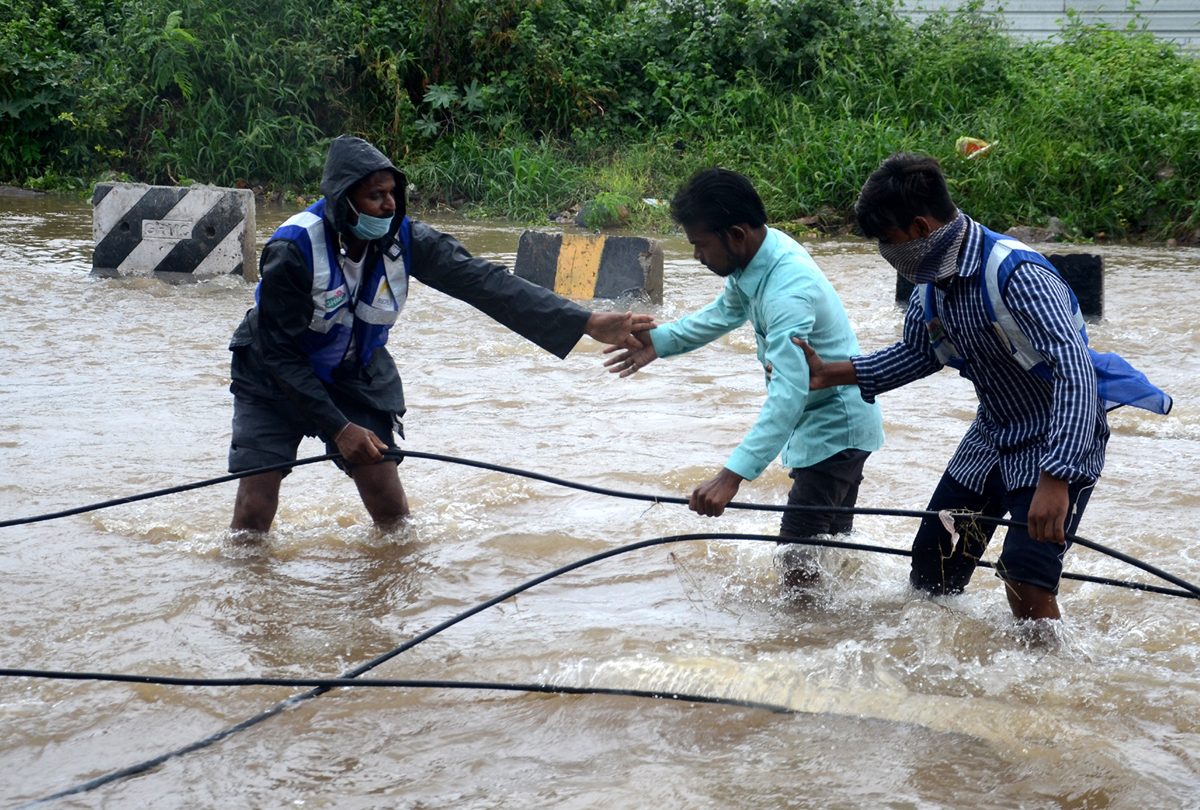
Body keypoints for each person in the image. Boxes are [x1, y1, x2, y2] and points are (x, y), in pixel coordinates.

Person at [796, 151, 1171, 621]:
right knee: (934, 566)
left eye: (887, 240)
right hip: (991, 436)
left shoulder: (1017, 274)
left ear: (919, 228)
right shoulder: (931, 283)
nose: (885, 253)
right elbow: (919, 352)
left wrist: (1056, 477)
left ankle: (1050, 683)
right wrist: (829, 373)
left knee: (1025, 581)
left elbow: (1076, 372)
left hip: (1057, 437)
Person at [227, 135, 652, 534]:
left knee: (390, 509)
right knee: (253, 510)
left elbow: (486, 283)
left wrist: (585, 321)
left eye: (393, 194)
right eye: (375, 196)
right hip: (274, 377)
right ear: (344, 201)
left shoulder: (406, 238)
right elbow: (280, 355)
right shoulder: (292, 250)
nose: (388, 205)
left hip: (353, 374)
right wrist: (339, 430)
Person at [604, 168, 884, 584]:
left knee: (796, 562)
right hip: (832, 427)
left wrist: (731, 476)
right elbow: (722, 313)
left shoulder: (786, 292)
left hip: (833, 433)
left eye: (700, 245)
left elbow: (788, 395)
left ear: (736, 234)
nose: (698, 256)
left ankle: (802, 642)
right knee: (827, 553)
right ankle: (833, 629)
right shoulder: (761, 254)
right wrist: (658, 342)